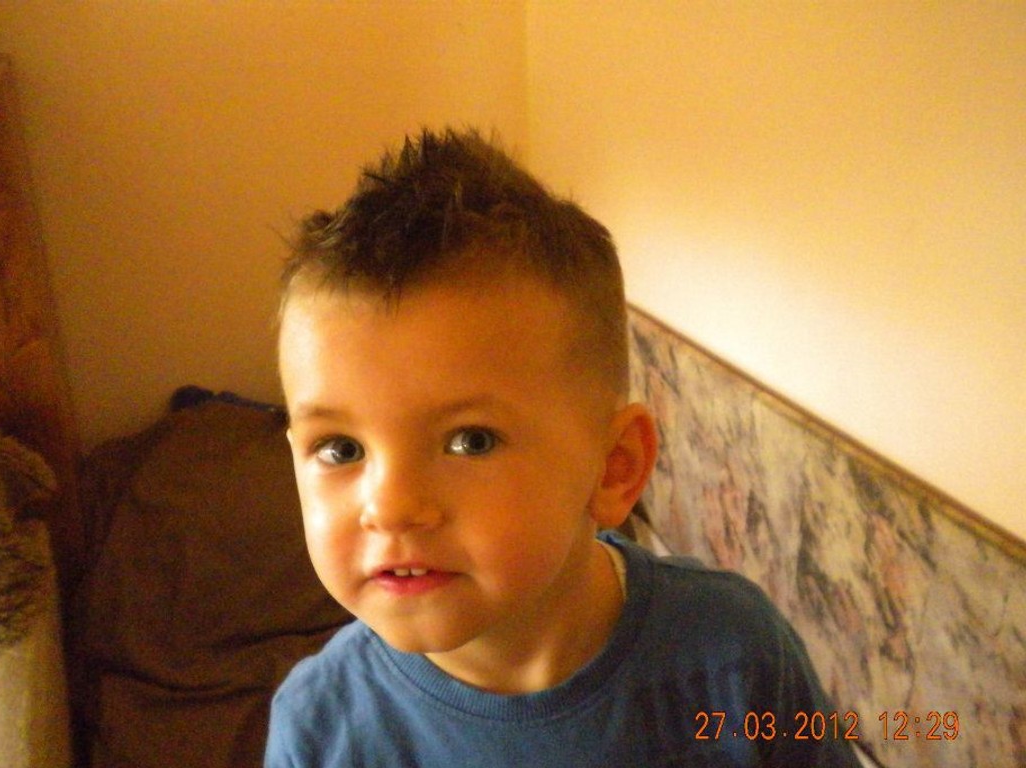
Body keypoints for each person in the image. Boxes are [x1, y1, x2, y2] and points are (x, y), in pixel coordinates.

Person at [267, 128, 861, 767]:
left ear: (614, 468)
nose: (389, 507)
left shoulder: (734, 657)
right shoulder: (319, 730)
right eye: (340, 449)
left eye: (470, 441)